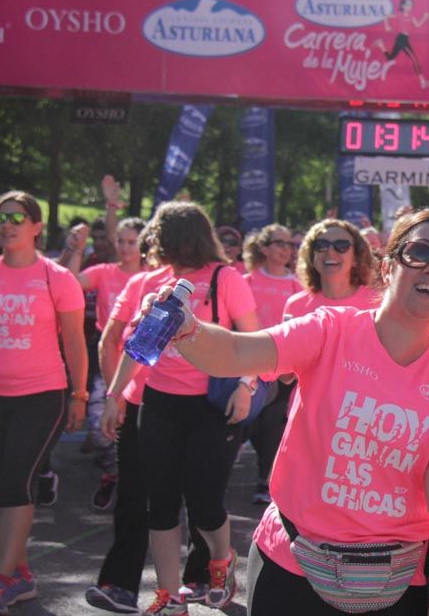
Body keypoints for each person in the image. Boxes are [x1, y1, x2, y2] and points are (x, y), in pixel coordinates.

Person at [133, 208, 429, 614]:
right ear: (387, 267)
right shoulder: (330, 330)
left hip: (393, 583)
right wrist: (189, 330)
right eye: (418, 252)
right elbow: (238, 351)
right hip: (292, 567)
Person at [102, 201, 259, 615]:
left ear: (178, 237)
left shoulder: (226, 279)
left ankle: (221, 560)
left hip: (211, 406)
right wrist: (114, 396)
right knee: (161, 503)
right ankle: (170, 596)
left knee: (205, 504)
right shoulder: (155, 281)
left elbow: (252, 339)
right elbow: (137, 346)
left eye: (158, 235)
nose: (153, 243)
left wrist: (245, 386)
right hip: (158, 404)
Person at [0, 191, 88, 614]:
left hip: (42, 396)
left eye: (16, 217)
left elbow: (76, 342)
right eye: (0, 218)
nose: (6, 225)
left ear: (36, 227)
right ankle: (21, 572)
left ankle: (0, 580)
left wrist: (80, 394)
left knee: (16, 483)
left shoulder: (56, 278)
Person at [65, 215, 147, 510]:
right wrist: (77, 249)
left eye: (132, 242)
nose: (126, 248)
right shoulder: (104, 271)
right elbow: (69, 284)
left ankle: (125, 478)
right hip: (107, 355)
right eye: (121, 242)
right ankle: (114, 472)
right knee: (102, 429)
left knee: (138, 431)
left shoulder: (153, 276)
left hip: (144, 363)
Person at [242, 224, 302, 505]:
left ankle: (265, 479)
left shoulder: (296, 285)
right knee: (247, 424)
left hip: (281, 367)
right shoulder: (247, 281)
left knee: (271, 425)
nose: (286, 249)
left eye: (289, 244)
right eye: (279, 243)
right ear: (264, 248)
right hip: (247, 363)